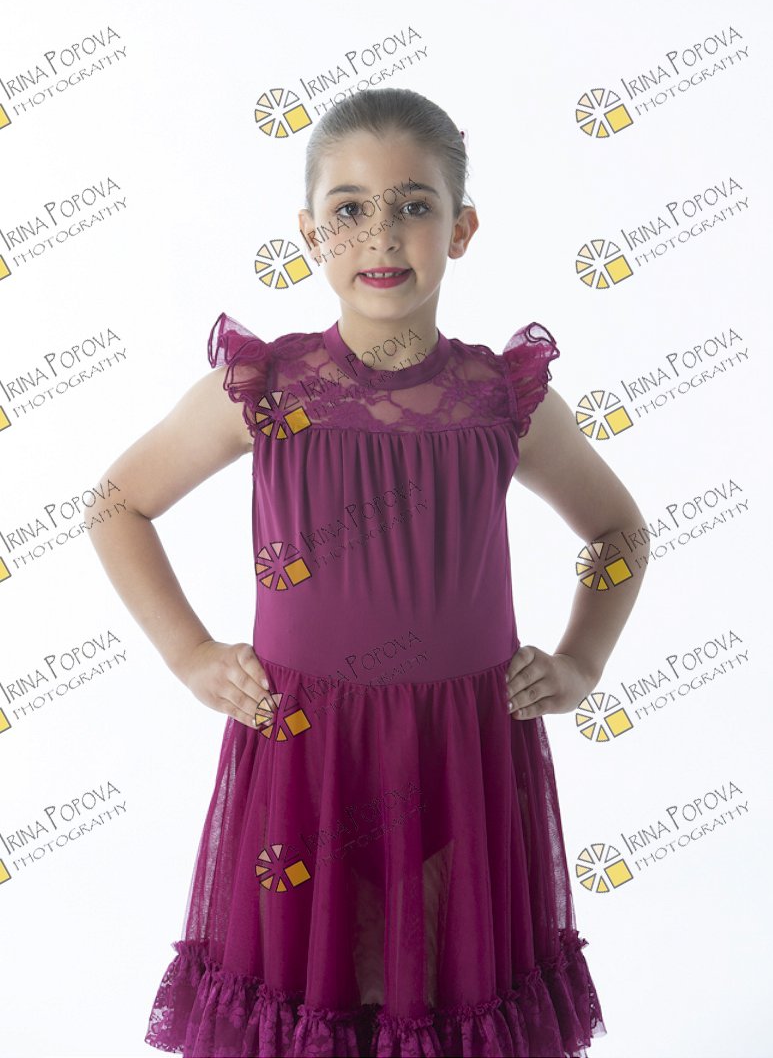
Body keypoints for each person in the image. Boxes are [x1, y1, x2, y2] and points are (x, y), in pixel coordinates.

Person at [86, 86, 649, 1057]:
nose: (380, 233)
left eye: (413, 205)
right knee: (318, 987)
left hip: (461, 750)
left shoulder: (499, 400)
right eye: (349, 208)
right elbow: (116, 506)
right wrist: (190, 654)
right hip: (306, 748)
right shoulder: (264, 390)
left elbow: (617, 532)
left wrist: (579, 662)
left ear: (460, 228)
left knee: (438, 986)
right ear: (310, 232)